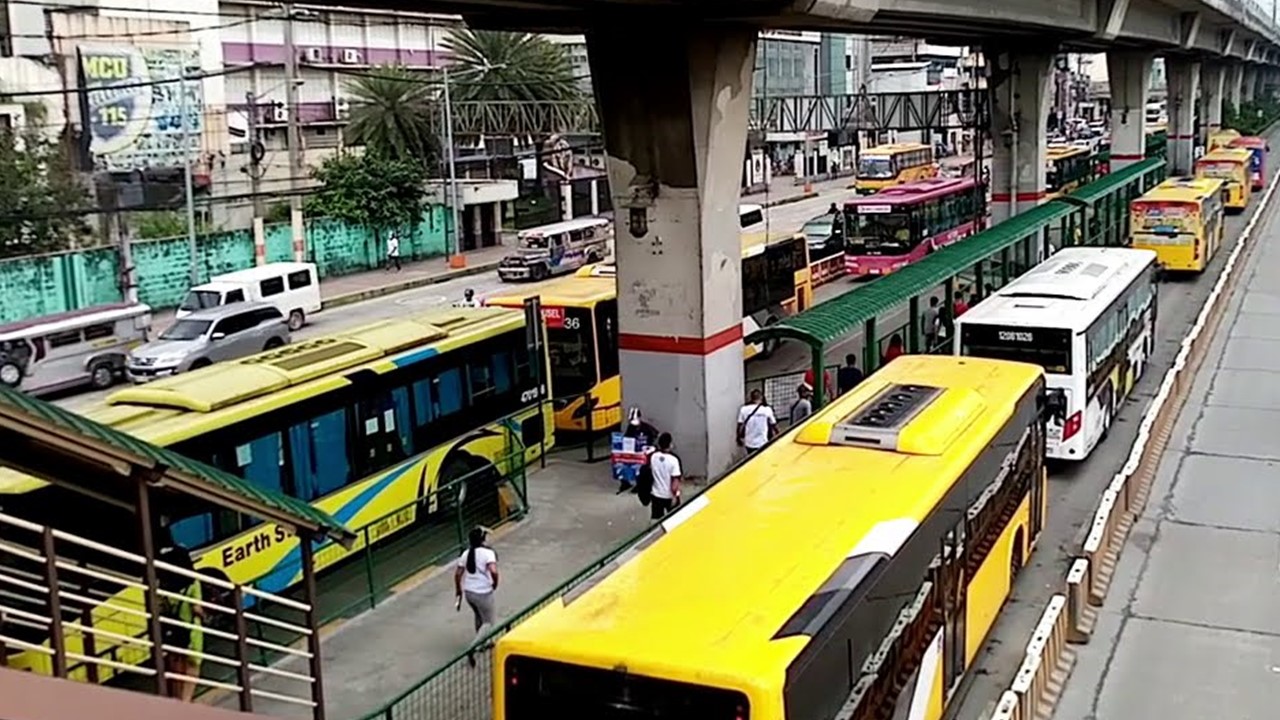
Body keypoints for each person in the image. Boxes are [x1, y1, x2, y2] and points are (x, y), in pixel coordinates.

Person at [157, 544, 203, 702]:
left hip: (173, 631)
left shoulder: (164, 585)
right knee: (193, 666)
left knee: (175, 665)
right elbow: (197, 608)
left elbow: (160, 607)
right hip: (191, 630)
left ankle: (176, 699)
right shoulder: (192, 583)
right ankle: (186, 699)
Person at [454, 526, 498, 668]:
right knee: (489, 623)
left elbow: (458, 574)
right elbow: (493, 571)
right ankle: (473, 647)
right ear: (483, 539)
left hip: (469, 593)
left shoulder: (466, 554)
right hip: (483, 592)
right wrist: (495, 582)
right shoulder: (488, 554)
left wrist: (458, 590)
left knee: (479, 616)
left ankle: (482, 644)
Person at [619, 407, 660, 494]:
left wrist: (651, 446)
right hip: (634, 451)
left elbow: (657, 435)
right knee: (621, 462)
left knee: (641, 466)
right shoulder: (630, 428)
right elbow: (627, 438)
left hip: (645, 452)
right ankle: (625, 482)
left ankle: (640, 485)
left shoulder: (647, 427)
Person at [647, 432, 682, 520]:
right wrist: (675, 496)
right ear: (670, 444)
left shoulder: (653, 457)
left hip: (656, 494)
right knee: (674, 519)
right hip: (668, 496)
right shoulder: (674, 460)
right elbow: (675, 482)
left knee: (656, 519)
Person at [736, 389, 777, 455]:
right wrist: (778, 436)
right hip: (763, 441)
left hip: (749, 442)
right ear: (761, 397)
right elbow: (774, 425)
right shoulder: (767, 410)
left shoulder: (744, 409)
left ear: (751, 398)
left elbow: (739, 424)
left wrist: (738, 438)